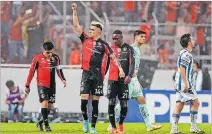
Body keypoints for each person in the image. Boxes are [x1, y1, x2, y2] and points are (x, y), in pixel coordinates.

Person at [71, 3, 125, 134]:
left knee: (95, 103)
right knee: (83, 101)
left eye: (92, 30)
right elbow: (76, 25)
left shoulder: (104, 45)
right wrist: (74, 11)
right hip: (86, 73)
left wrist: (121, 69)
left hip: (98, 76)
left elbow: (113, 57)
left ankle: (93, 127)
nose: (89, 31)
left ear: (98, 31)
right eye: (89, 29)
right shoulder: (85, 39)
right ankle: (85, 121)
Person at [108, 30, 162, 132]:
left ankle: (149, 125)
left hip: (134, 79)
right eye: (141, 36)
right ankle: (111, 125)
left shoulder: (136, 49)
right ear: (136, 37)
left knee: (142, 100)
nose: (143, 38)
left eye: (144, 37)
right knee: (123, 102)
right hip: (129, 79)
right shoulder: (131, 48)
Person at [24, 41, 67, 132]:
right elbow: (31, 73)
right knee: (45, 102)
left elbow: (59, 70)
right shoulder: (37, 58)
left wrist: (63, 79)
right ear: (43, 50)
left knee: (50, 106)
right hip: (42, 85)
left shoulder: (56, 58)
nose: (49, 54)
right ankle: (47, 126)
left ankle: (40, 122)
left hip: (52, 85)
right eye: (47, 52)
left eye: (51, 52)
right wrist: (27, 85)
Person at [171, 33, 204, 134]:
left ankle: (174, 129)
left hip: (179, 83)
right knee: (196, 103)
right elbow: (182, 68)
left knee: (179, 105)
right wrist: (186, 83)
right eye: (192, 39)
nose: (194, 41)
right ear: (189, 42)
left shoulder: (183, 52)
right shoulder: (187, 54)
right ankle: (193, 127)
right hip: (184, 83)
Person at [107, 30, 135, 133]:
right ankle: (113, 128)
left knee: (124, 105)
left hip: (123, 81)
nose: (114, 40)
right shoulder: (110, 49)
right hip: (112, 80)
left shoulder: (129, 49)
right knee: (111, 103)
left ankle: (121, 123)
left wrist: (129, 76)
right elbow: (106, 64)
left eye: (116, 38)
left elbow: (132, 64)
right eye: (113, 38)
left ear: (121, 37)